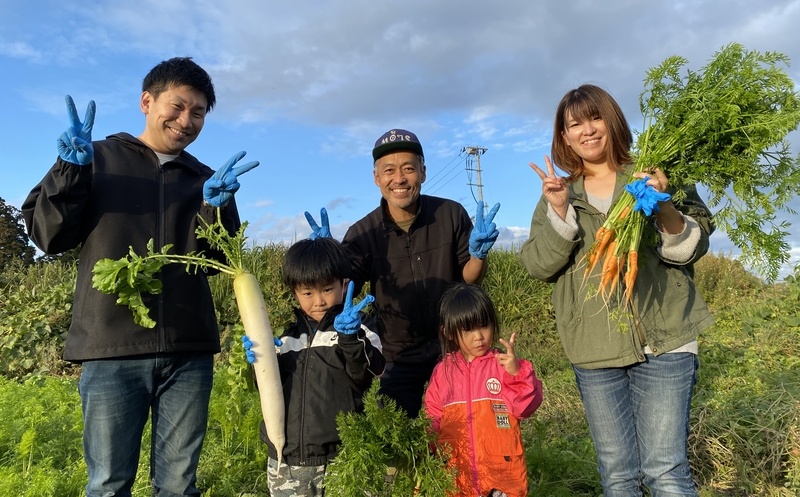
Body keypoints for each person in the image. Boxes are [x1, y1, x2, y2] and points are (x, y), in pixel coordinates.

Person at [22, 57, 259, 497]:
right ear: (147, 101)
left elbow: (216, 256)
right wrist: (69, 172)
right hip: (111, 347)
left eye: (199, 112)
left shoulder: (204, 178)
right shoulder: (96, 160)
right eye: (178, 105)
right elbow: (48, 236)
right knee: (109, 485)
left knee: (177, 486)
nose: (186, 121)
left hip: (187, 351)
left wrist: (218, 208)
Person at [519, 84, 715, 496]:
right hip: (594, 349)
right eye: (575, 124)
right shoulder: (561, 193)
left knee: (666, 470)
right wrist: (559, 214)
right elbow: (538, 266)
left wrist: (663, 203)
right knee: (618, 475)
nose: (587, 130)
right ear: (564, 137)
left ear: (613, 121)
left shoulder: (655, 173)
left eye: (595, 118)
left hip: (665, 341)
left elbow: (691, 249)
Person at [307, 128, 501, 417]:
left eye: (408, 169)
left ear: (422, 172)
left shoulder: (450, 214)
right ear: (376, 178)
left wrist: (477, 255)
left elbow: (470, 279)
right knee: (395, 441)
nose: (399, 179)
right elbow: (344, 289)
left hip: (453, 349)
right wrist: (326, 260)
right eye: (389, 171)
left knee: (461, 431)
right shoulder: (362, 234)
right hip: (394, 356)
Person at [242, 236, 385, 496]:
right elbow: (268, 389)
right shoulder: (286, 339)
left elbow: (367, 373)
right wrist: (259, 361)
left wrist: (351, 338)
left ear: (344, 285)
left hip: (343, 459)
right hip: (287, 462)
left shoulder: (360, 329)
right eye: (307, 293)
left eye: (327, 289)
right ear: (295, 292)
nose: (318, 301)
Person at [423, 283, 543, 497]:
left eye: (484, 325)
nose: (478, 336)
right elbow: (432, 418)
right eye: (468, 329)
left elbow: (524, 408)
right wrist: (422, 448)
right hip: (456, 479)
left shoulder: (503, 365)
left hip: (502, 479)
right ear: (449, 332)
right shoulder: (443, 372)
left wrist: (517, 374)